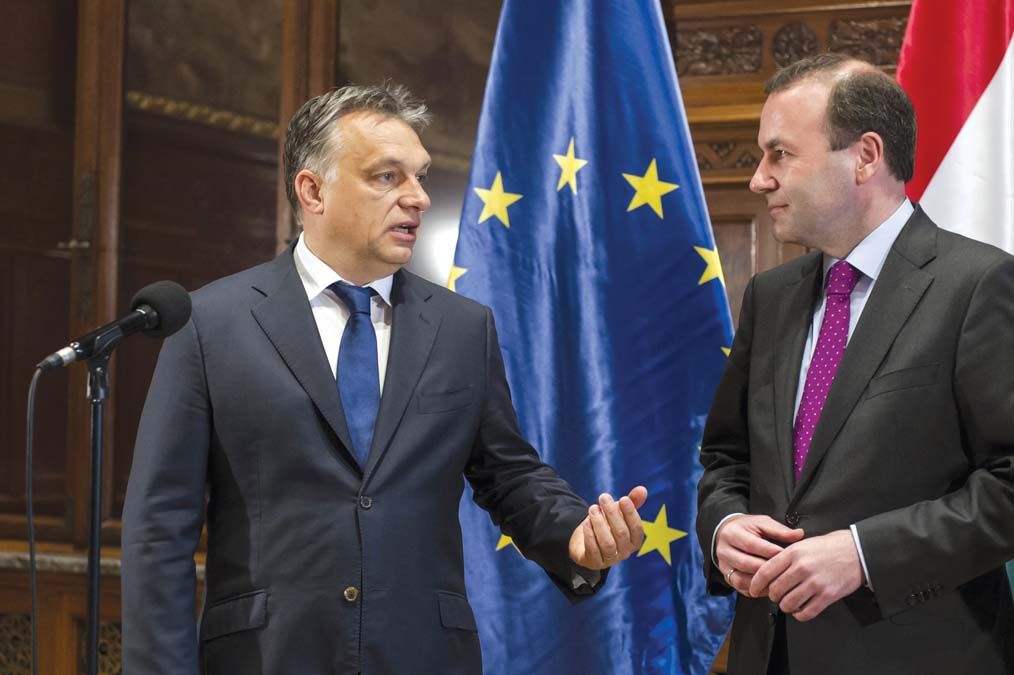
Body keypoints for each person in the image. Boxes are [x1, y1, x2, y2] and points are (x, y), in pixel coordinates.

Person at [121, 83, 648, 674]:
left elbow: (509, 475)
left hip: (424, 655)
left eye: (420, 177)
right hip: (266, 657)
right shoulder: (210, 324)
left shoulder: (461, 328)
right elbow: (158, 529)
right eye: (387, 177)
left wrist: (573, 532)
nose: (418, 197)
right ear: (313, 190)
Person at [696, 53, 1014, 674]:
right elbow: (725, 458)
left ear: (866, 156)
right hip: (769, 653)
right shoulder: (772, 295)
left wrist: (866, 554)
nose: (760, 179)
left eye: (779, 154)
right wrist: (724, 524)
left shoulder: (978, 285)